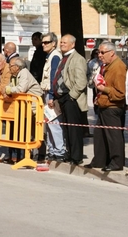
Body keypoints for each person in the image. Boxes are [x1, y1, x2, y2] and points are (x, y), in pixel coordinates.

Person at [84, 41, 126, 171]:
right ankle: (99, 161)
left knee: (114, 136)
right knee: (100, 135)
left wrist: (104, 89)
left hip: (113, 107)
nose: (100, 55)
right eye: (98, 52)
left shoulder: (118, 67)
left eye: (102, 52)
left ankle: (116, 162)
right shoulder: (108, 65)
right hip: (104, 106)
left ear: (112, 53)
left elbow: (120, 93)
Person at [51, 34, 88, 165]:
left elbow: (81, 82)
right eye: (61, 42)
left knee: (74, 129)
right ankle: (69, 153)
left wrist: (72, 96)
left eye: (64, 42)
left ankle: (76, 156)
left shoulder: (78, 59)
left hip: (72, 98)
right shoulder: (64, 58)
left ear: (72, 44)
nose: (61, 44)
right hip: (62, 98)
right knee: (66, 128)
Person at [3, 57, 43, 163]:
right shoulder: (14, 76)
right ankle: (23, 155)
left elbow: (21, 89)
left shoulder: (24, 73)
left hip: (34, 107)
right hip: (24, 108)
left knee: (34, 132)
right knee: (25, 131)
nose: (9, 68)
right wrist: (7, 90)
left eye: (10, 66)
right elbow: (9, 87)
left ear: (17, 67)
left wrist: (8, 90)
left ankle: (35, 155)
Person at [40, 32, 65, 161]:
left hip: (50, 94)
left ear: (53, 43)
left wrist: (51, 96)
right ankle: (53, 150)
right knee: (49, 123)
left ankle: (59, 151)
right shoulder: (50, 56)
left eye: (46, 42)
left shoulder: (55, 56)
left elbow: (53, 78)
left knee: (54, 122)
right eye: (42, 42)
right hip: (47, 93)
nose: (43, 44)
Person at [87, 48, 101, 115]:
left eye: (98, 53)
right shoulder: (91, 62)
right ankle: (96, 108)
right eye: (96, 53)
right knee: (95, 94)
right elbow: (90, 70)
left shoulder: (102, 60)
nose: (97, 55)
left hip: (101, 81)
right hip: (93, 81)